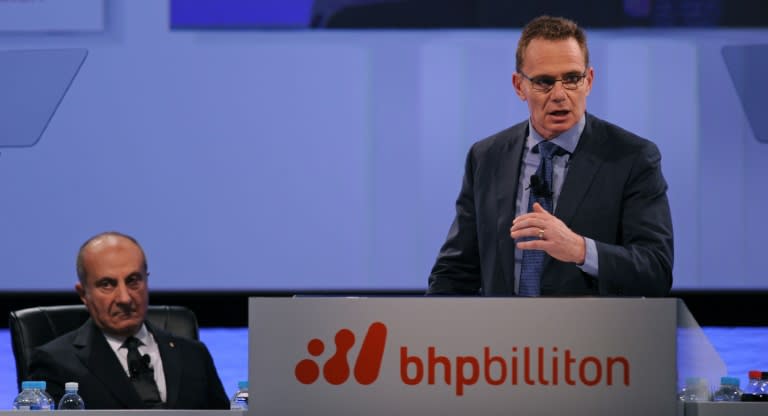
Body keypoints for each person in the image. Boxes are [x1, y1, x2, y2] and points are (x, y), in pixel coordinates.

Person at [427, 15, 673, 296]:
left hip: (591, 337)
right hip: (504, 337)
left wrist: (580, 249)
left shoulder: (633, 158)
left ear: (589, 81)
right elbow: (456, 271)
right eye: (544, 82)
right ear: (519, 86)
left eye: (571, 79)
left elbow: (656, 269)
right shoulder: (486, 157)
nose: (559, 94)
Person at [27, 231, 230, 409]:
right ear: (83, 294)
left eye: (133, 281)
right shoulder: (55, 363)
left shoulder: (194, 355)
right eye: (107, 284)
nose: (124, 298)